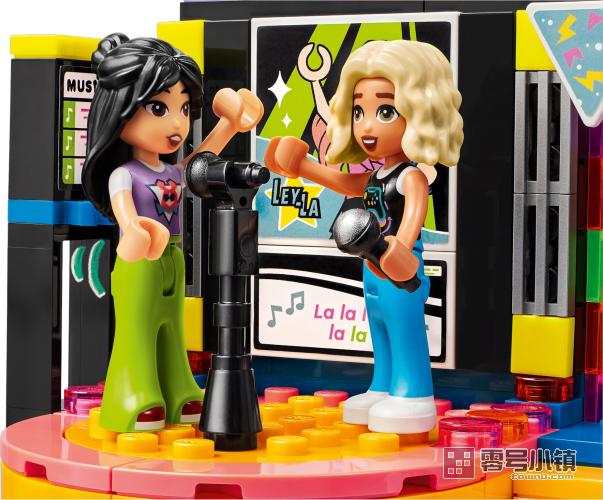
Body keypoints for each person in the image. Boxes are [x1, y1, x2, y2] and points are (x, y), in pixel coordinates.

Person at [264, 40, 463, 433]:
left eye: (385, 111)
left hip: (400, 270)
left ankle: (413, 393)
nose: (367, 126)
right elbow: (343, 182)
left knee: (404, 331)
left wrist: (399, 253)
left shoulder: (411, 176)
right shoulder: (376, 175)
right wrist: (302, 166)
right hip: (372, 268)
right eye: (359, 112)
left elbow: (413, 219)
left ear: (419, 114)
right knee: (381, 330)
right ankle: (384, 386)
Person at [83, 33, 264, 432]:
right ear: (120, 110)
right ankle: (133, 395)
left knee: (171, 327)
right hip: (140, 262)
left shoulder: (171, 171)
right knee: (138, 329)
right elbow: (125, 213)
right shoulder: (123, 174)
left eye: (183, 108)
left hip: (174, 256)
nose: (177, 123)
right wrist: (134, 229)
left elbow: (201, 160)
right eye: (158, 108)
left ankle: (177, 389)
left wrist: (230, 125)